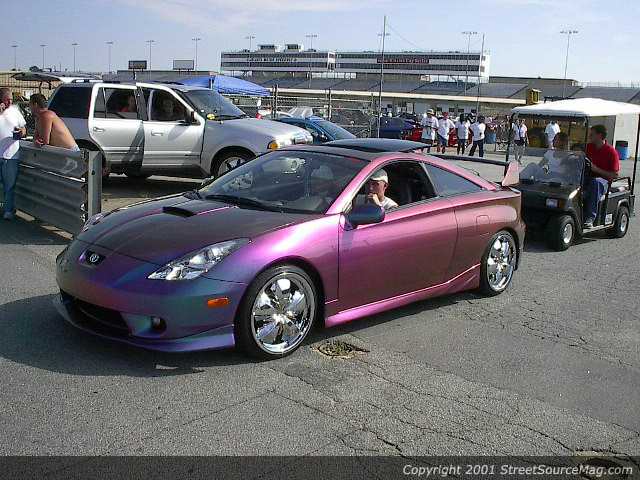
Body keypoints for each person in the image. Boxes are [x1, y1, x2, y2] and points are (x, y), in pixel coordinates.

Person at [583, 125, 620, 228]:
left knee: (595, 183)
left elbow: (615, 175)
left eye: (592, 134)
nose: (589, 136)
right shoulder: (588, 147)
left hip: (603, 181)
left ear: (599, 135)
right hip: (588, 176)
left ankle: (590, 217)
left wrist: (596, 169)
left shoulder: (611, 152)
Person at [0, 88, 27, 220]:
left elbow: (24, 128)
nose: (9, 102)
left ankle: (8, 211)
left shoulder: (15, 111)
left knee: (9, 185)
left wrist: (22, 132)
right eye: (6, 100)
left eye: (11, 99)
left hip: (11, 155)